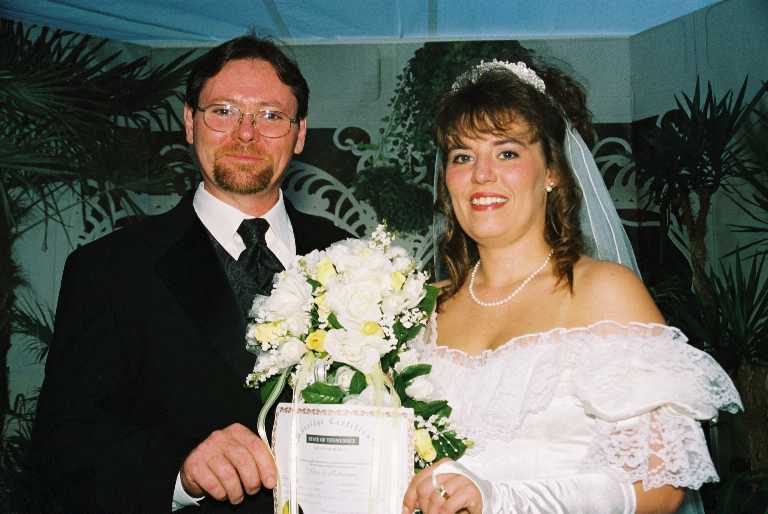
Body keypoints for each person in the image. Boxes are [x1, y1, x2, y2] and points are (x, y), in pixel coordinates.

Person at [402, 59, 742, 514]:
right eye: (462, 156)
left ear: (553, 172)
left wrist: (505, 502)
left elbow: (662, 486)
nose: (482, 174)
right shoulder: (420, 307)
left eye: (507, 153)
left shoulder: (604, 292)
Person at [32, 35, 351, 513]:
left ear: (300, 133)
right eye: (223, 111)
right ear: (189, 121)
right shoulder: (109, 270)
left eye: (270, 115)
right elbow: (62, 454)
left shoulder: (350, 258)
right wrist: (178, 475)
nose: (246, 134)